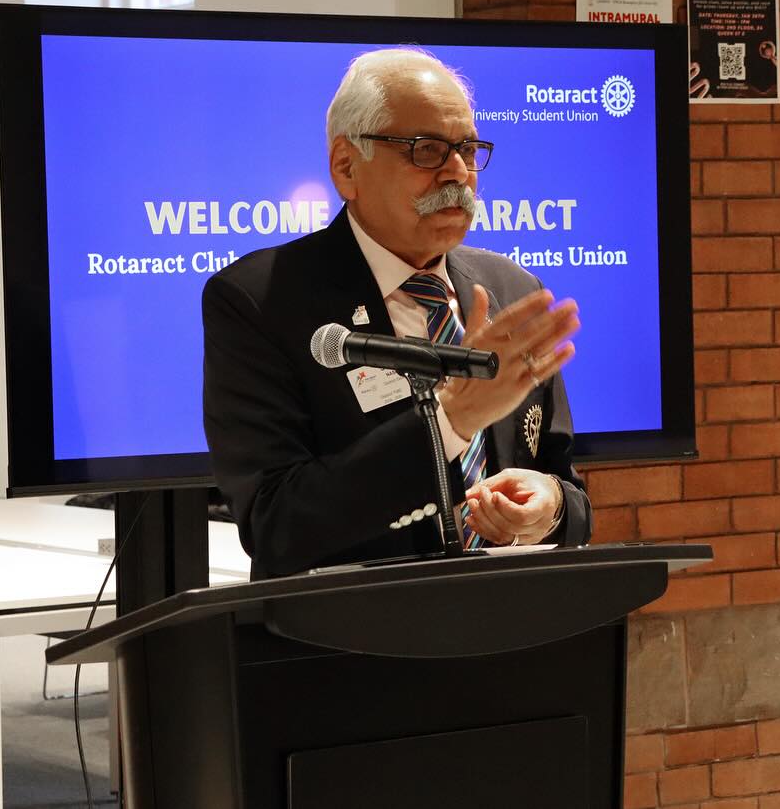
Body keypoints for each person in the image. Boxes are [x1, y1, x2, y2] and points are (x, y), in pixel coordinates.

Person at [202, 47, 592, 579]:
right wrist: (451, 422)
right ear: (346, 167)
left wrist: (550, 507)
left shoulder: (513, 289)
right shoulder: (260, 300)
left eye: (467, 149)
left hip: (512, 614)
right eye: (426, 150)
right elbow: (276, 524)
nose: (458, 172)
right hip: (351, 624)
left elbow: (566, 485)